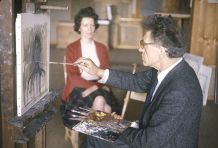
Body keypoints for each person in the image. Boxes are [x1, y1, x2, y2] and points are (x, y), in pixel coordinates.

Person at [74, 14, 203, 148]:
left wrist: (115, 125)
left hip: (156, 143)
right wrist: (97, 71)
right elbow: (135, 81)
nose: (140, 49)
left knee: (95, 133)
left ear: (161, 51)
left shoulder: (179, 93)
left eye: (144, 44)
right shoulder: (167, 68)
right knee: (94, 129)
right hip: (151, 136)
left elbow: (148, 142)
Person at [61, 7, 120, 127]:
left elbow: (105, 72)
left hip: (98, 85)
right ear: (79, 27)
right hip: (79, 87)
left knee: (100, 101)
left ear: (95, 27)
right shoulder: (71, 48)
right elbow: (72, 76)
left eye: (92, 25)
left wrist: (94, 88)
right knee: (105, 107)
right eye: (85, 25)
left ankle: (93, 137)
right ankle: (100, 137)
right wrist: (93, 87)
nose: (89, 29)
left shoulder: (102, 48)